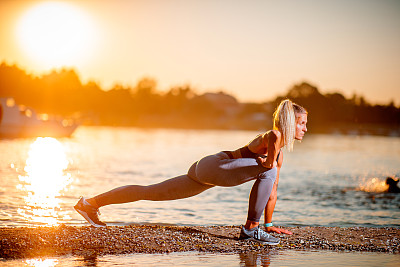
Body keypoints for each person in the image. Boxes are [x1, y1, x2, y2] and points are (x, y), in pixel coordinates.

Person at [74, 99, 308, 245]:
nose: (305, 129)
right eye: (302, 123)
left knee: (151, 192)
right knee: (269, 172)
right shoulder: (274, 136)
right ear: (289, 122)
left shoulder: (279, 153)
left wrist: (269, 226)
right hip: (217, 165)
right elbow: (267, 170)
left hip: (206, 172)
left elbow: (272, 191)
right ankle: (250, 230)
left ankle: (90, 204)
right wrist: (259, 226)